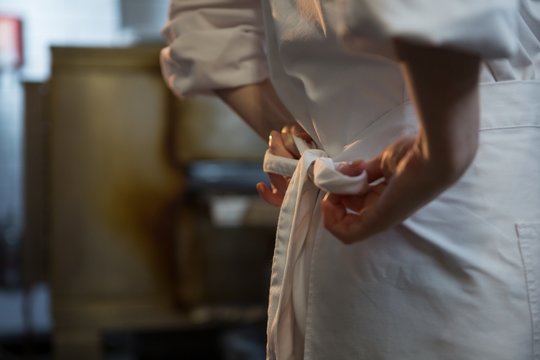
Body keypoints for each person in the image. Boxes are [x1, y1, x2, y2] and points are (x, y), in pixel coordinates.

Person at [160, 0, 540, 359]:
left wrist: (304, 140)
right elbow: (439, 12)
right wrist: (442, 152)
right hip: (469, 206)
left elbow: (210, 23)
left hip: (388, 214)